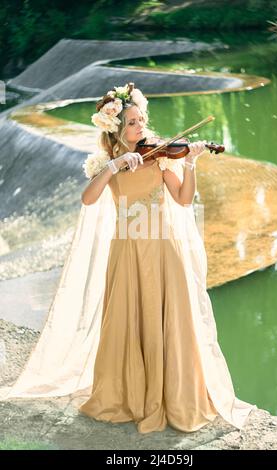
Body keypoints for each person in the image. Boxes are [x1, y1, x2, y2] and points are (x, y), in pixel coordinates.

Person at [0, 83, 256, 435]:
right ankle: (132, 395)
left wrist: (192, 162)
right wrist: (116, 165)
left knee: (170, 320)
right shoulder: (107, 163)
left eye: (141, 120)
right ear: (117, 129)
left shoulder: (163, 154)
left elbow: (182, 199)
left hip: (164, 248)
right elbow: (88, 199)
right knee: (128, 320)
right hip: (128, 251)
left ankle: (173, 396)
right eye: (133, 123)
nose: (141, 128)